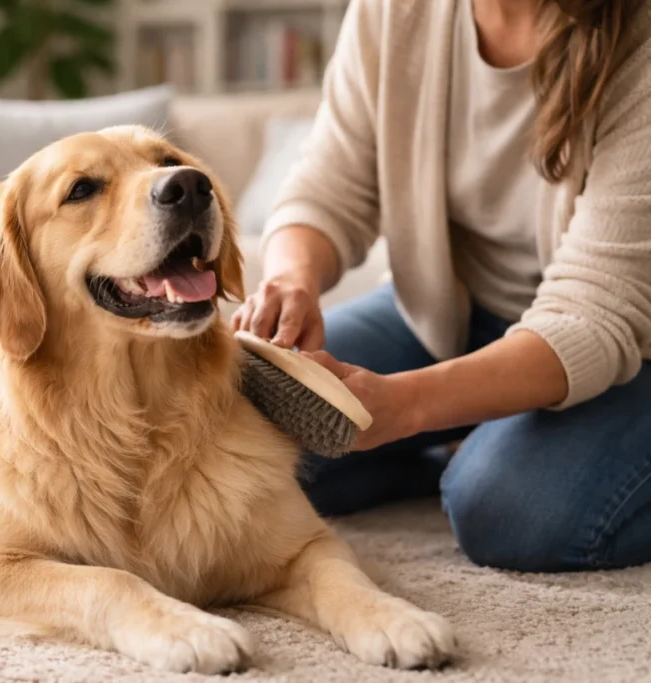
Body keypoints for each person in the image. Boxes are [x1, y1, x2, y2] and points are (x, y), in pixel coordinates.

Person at [233, 0, 651, 573]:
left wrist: (404, 406)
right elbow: (331, 185)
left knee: (505, 511)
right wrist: (291, 276)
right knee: (237, 428)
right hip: (453, 312)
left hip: (629, 346)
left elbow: (594, 314)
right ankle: (462, 442)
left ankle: (483, 445)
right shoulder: (395, 11)